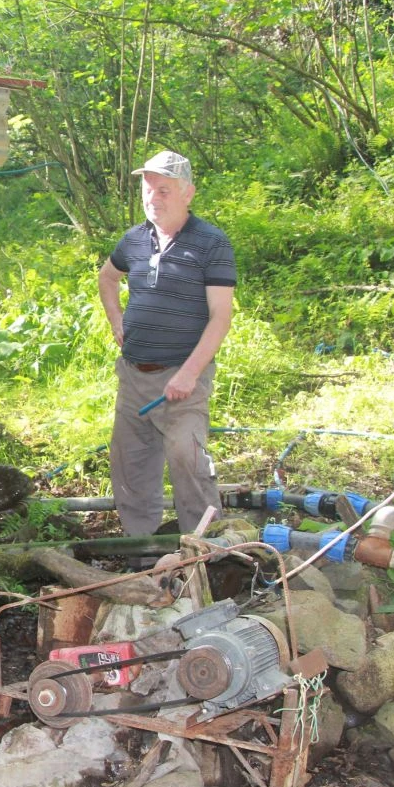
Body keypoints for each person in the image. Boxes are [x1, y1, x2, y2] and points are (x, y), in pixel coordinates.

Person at [96, 150, 236, 538]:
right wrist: (116, 319)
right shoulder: (135, 239)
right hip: (134, 376)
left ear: (187, 193)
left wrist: (189, 374)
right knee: (130, 465)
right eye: (147, 189)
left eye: (164, 190)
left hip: (183, 378)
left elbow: (221, 317)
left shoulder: (211, 244)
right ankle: (140, 548)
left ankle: (205, 548)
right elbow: (107, 278)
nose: (153, 198)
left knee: (186, 456)